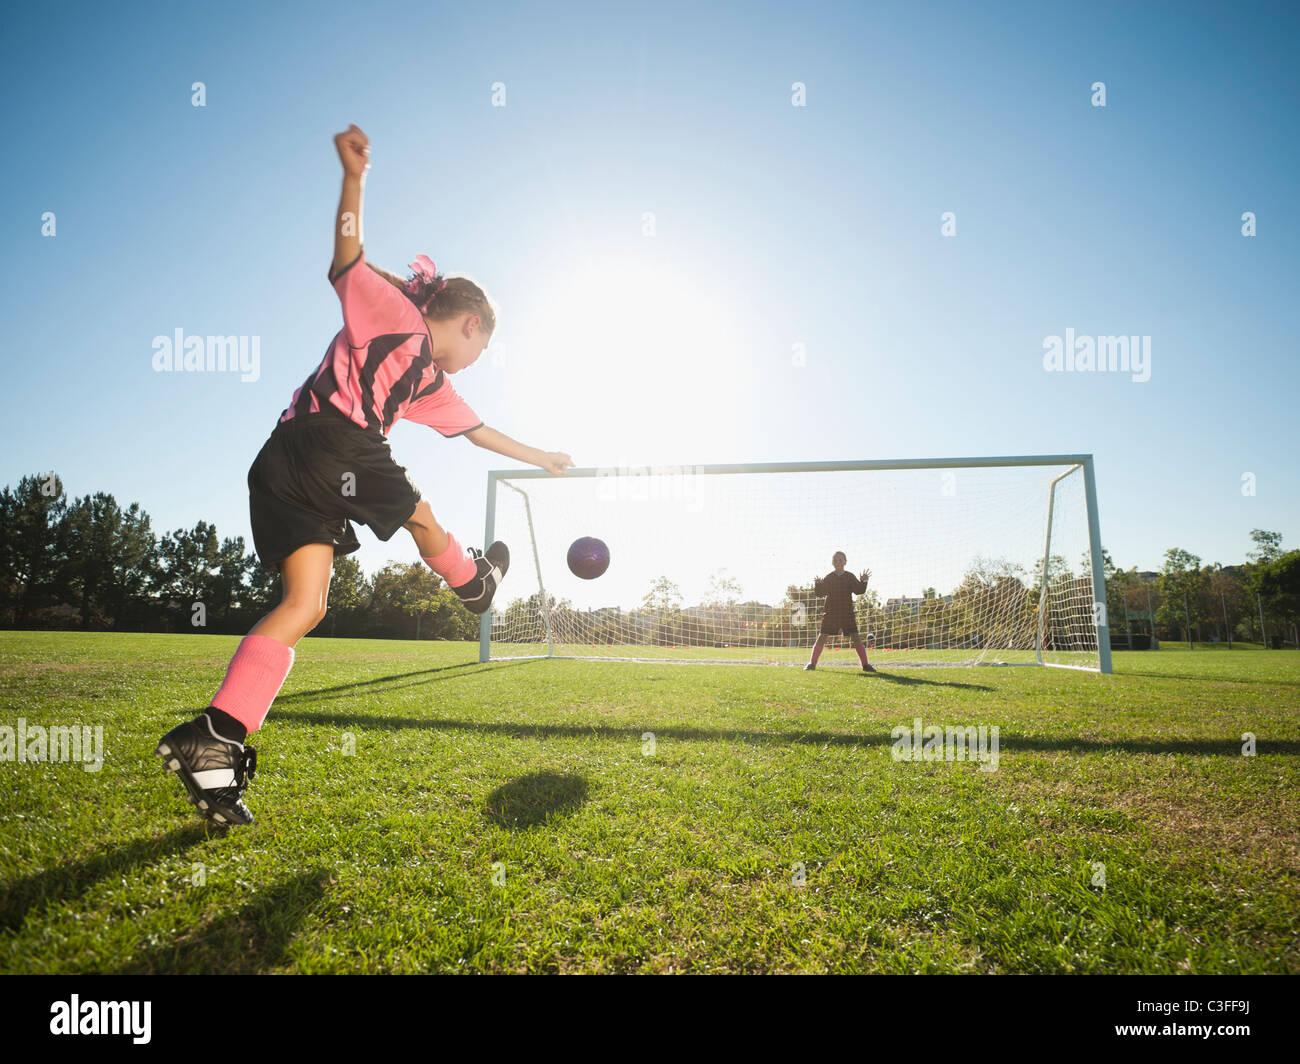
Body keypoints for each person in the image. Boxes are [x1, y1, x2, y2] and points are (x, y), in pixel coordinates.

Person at [155, 123, 573, 827]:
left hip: (285, 463)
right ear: (468, 323)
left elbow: (475, 431)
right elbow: (347, 260)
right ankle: (474, 583)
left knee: (308, 605)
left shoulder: (426, 383)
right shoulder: (397, 316)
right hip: (332, 442)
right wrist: (355, 178)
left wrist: (541, 458)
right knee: (418, 513)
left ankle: (215, 739)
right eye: (483, 345)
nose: (476, 359)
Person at [804, 551, 875, 673]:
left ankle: (865, 665)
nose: (838, 562)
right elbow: (820, 593)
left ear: (845, 562)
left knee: (856, 637)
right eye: (835, 560)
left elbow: (859, 590)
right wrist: (818, 584)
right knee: (822, 637)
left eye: (840, 560)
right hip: (831, 613)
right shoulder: (829, 578)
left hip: (847, 613)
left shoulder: (849, 577)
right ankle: (812, 663)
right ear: (832, 563)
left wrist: (864, 581)